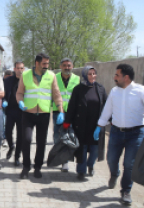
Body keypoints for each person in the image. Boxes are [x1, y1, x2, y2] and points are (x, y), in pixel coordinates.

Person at [95, 63, 144, 206]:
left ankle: (126, 191)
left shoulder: (140, 91)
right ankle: (114, 173)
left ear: (126, 77)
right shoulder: (114, 92)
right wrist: (100, 125)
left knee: (129, 164)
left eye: (117, 75)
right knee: (111, 159)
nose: (114, 77)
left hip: (135, 134)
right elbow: (107, 110)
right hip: (116, 132)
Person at [16, 53, 64, 179]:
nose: (46, 66)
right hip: (28, 113)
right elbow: (19, 93)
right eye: (44, 64)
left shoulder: (51, 76)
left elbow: (57, 94)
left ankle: (37, 167)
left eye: (47, 64)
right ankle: (26, 166)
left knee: (41, 142)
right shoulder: (25, 75)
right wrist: (20, 102)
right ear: (37, 63)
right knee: (26, 140)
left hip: (44, 114)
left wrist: (61, 110)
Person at [63, 66, 107, 180]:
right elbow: (72, 107)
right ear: (84, 75)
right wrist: (67, 122)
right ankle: (81, 171)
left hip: (96, 126)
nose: (93, 76)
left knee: (95, 150)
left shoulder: (100, 89)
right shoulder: (78, 89)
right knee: (82, 149)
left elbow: (107, 107)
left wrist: (110, 120)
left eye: (94, 73)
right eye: (90, 74)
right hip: (81, 125)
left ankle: (90, 165)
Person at [52, 58, 80, 172]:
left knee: (69, 137)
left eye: (69, 65)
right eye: (64, 65)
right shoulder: (55, 77)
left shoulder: (77, 79)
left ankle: (65, 161)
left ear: (72, 66)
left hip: (71, 113)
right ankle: (58, 157)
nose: (66, 68)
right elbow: (51, 94)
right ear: (60, 66)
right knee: (57, 136)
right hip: (57, 112)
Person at [3, 61, 25, 166]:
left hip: (22, 111)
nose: (19, 70)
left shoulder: (26, 81)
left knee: (20, 136)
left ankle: (17, 157)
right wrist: (4, 100)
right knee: (7, 132)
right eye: (18, 68)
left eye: (21, 68)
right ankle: (11, 146)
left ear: (23, 69)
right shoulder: (8, 81)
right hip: (10, 110)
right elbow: (3, 92)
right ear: (14, 69)